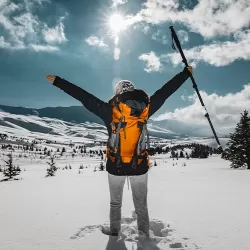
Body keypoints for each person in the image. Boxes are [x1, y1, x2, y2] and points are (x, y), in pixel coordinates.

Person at [45, 66, 192, 238]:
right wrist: (185, 74)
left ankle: (115, 233)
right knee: (141, 206)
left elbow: (83, 96)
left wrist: (58, 81)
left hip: (116, 166)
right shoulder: (146, 109)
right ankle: (144, 235)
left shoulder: (110, 111)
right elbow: (165, 92)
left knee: (115, 203)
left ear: (117, 93)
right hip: (140, 165)